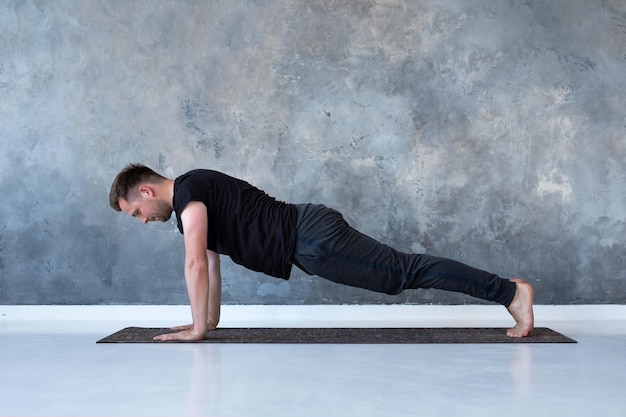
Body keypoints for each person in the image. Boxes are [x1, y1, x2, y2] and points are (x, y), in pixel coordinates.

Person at [109, 164, 534, 341]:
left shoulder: (188, 193)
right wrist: (208, 321)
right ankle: (507, 291)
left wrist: (198, 330)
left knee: (401, 274)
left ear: (146, 191)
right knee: (398, 275)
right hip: (309, 237)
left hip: (311, 238)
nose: (144, 220)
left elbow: (196, 263)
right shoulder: (190, 201)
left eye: (137, 213)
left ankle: (510, 294)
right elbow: (212, 264)